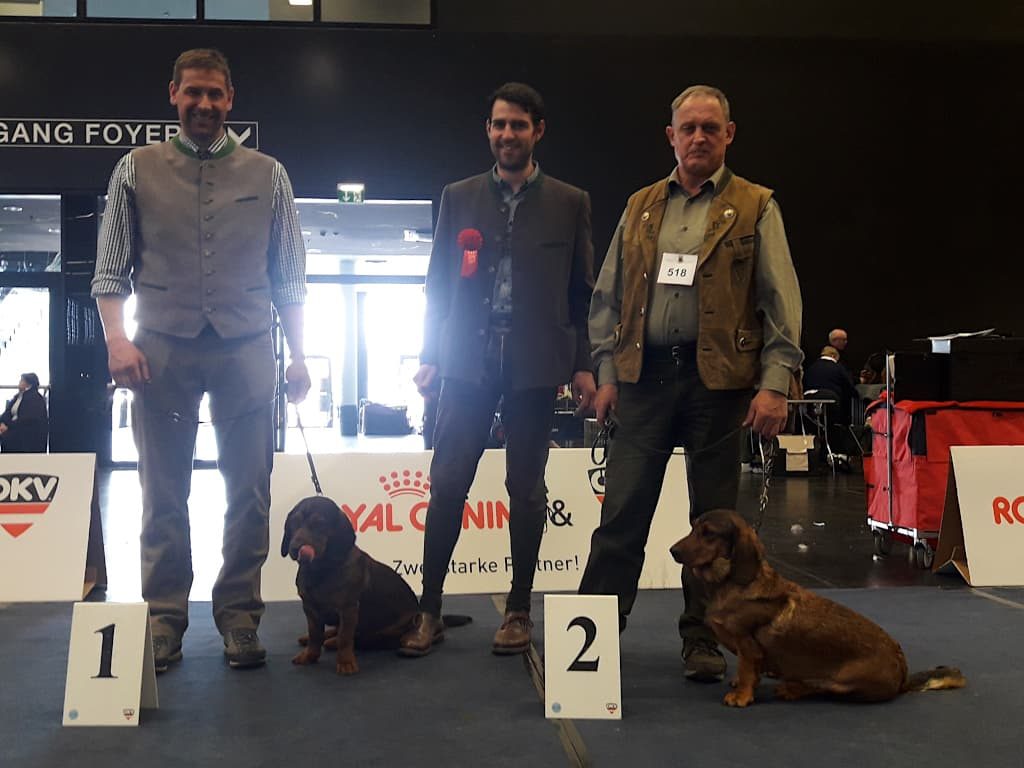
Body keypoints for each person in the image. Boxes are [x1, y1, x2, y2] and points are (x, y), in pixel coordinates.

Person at [91, 48, 310, 673]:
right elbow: (110, 269)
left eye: (215, 94)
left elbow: (290, 277)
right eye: (194, 93)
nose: (205, 104)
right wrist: (115, 338)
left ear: (231, 98)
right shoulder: (134, 169)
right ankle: (164, 619)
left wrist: (298, 355)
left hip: (247, 347)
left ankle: (240, 617)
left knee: (250, 493)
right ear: (173, 94)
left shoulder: (270, 174)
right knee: (162, 490)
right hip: (158, 347)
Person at [579, 85, 803, 682]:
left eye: (710, 127)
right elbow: (606, 298)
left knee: (715, 526)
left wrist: (775, 383)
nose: (698, 137)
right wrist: (605, 373)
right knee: (620, 517)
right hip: (643, 383)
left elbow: (781, 300)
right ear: (670, 135)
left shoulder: (758, 206)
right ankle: (589, 647)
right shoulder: (641, 205)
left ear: (730, 134)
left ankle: (702, 640)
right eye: (688, 128)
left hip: (721, 389)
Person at [400, 82, 596, 657]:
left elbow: (581, 293)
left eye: (517, 125)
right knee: (446, 483)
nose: (506, 134)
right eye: (497, 125)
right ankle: (428, 608)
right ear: (487, 131)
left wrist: (583, 366)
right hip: (464, 363)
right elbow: (437, 283)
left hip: (536, 366)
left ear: (538, 130)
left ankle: (518, 610)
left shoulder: (570, 201)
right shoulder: (456, 196)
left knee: (526, 490)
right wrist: (429, 353)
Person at [803, 345, 858, 424]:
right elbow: (849, 386)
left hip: (808, 401)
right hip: (830, 401)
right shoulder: (838, 368)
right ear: (833, 356)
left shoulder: (810, 367)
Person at [0, 373, 48, 453]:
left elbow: (27, 420)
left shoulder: (35, 399)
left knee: (9, 436)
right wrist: (2, 423)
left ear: (29, 384)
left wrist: (8, 426)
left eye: (22, 380)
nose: (19, 382)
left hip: (25, 432)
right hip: (12, 427)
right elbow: (7, 413)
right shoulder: (17, 397)